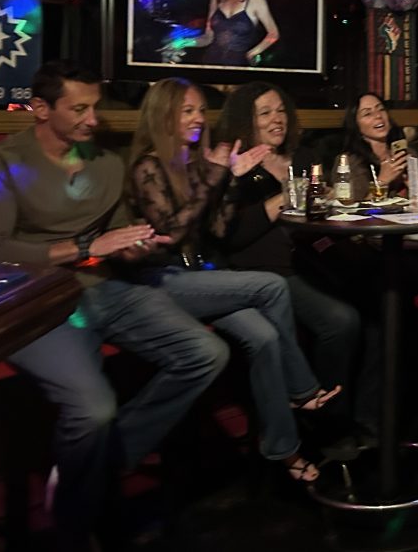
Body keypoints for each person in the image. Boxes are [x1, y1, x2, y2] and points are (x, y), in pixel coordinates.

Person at [0, 61, 229, 550]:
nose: (93, 119)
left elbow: (119, 236)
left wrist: (136, 245)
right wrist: (86, 246)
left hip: (106, 289)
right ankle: (76, 527)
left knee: (206, 354)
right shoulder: (0, 161)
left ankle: (96, 467)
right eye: (79, 108)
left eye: (96, 107)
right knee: (94, 409)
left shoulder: (106, 163)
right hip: (33, 302)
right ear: (41, 109)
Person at [123, 78, 340, 482]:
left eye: (200, 110)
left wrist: (232, 179)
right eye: (187, 110)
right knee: (272, 286)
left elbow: (219, 230)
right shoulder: (148, 166)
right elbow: (172, 231)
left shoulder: (199, 165)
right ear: (163, 116)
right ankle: (304, 392)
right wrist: (217, 177)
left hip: (206, 275)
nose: (197, 118)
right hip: (164, 277)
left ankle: (282, 450)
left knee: (264, 337)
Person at [213, 81, 372, 437]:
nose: (277, 119)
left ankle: (368, 415)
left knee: (381, 299)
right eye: (265, 112)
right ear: (246, 120)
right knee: (341, 320)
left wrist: (330, 199)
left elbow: (324, 217)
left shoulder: (303, 158)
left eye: (281, 110)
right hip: (265, 270)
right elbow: (230, 237)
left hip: (316, 258)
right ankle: (325, 419)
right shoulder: (235, 166)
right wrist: (280, 200)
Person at [330, 92, 409, 201]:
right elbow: (349, 206)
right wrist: (383, 181)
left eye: (381, 109)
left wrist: (415, 187)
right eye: (367, 114)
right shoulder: (349, 162)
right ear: (356, 124)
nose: (378, 116)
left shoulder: (404, 153)